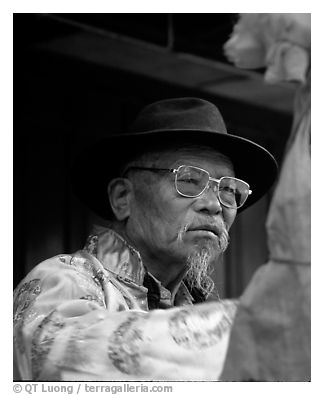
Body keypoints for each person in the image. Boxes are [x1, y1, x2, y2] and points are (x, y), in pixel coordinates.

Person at [13, 98, 278, 380]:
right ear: (123, 197)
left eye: (228, 189)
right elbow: (70, 359)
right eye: (188, 180)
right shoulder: (63, 279)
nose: (214, 205)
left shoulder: (192, 305)